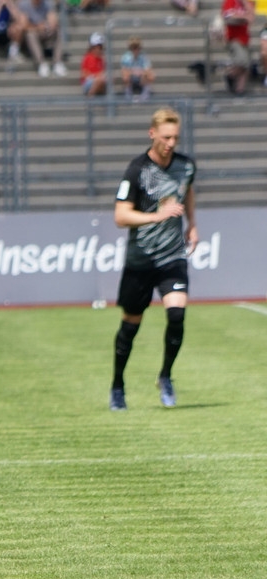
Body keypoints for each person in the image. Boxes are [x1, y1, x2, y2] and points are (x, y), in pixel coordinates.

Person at [109, 108, 197, 411]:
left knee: (177, 314)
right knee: (130, 326)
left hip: (172, 256)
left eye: (175, 137)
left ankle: (166, 376)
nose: (171, 143)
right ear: (152, 134)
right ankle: (118, 384)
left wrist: (193, 225)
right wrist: (157, 215)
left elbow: (187, 192)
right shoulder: (136, 170)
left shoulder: (186, 166)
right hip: (141, 260)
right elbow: (120, 216)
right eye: (165, 137)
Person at [18, 0, 65, 77]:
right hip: (32, 32)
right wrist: (37, 27)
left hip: (44, 30)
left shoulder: (48, 3)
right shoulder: (24, 4)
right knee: (30, 35)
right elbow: (23, 26)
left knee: (57, 31)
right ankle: (41, 63)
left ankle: (58, 62)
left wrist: (48, 25)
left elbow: (53, 21)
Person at [221, 0, 254, 95]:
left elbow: (251, 19)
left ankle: (240, 90)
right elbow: (228, 18)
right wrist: (242, 17)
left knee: (246, 65)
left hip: (245, 38)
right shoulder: (229, 1)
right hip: (233, 38)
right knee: (242, 61)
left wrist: (245, 5)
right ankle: (230, 75)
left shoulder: (249, 2)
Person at [120, 35, 154, 101]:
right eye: (134, 48)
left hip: (141, 79)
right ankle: (128, 93)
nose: (136, 50)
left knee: (151, 75)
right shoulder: (126, 57)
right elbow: (124, 70)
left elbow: (148, 69)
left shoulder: (144, 57)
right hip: (131, 79)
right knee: (125, 75)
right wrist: (133, 72)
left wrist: (143, 74)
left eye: (138, 48)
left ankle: (145, 94)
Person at [79, 31, 106, 96]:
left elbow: (102, 72)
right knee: (99, 80)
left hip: (98, 81)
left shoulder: (101, 59)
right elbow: (83, 74)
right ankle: (90, 98)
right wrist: (95, 76)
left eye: (101, 47)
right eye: (99, 47)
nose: (100, 50)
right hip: (88, 82)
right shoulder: (87, 58)